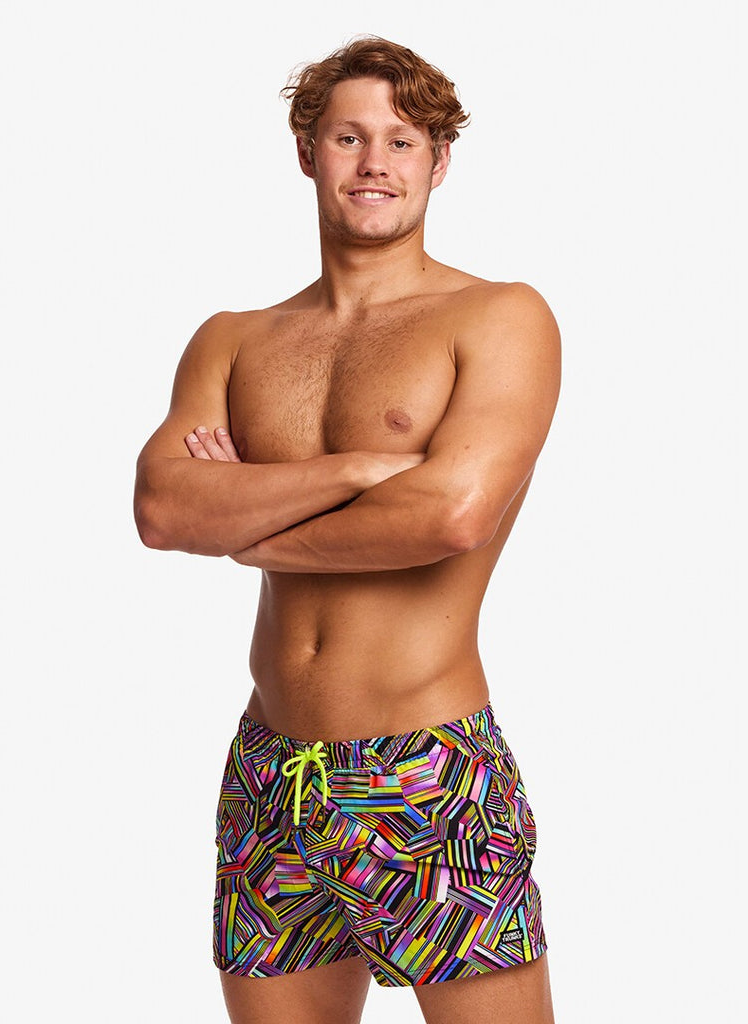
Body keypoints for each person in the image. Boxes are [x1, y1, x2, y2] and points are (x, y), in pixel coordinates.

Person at [134, 35, 561, 1024]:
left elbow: (450, 514)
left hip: (426, 773)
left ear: (438, 162)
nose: (374, 162)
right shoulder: (233, 338)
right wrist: (357, 471)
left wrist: (247, 521)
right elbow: (163, 507)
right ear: (306, 151)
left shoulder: (498, 317)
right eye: (348, 137)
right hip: (271, 772)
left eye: (402, 141)